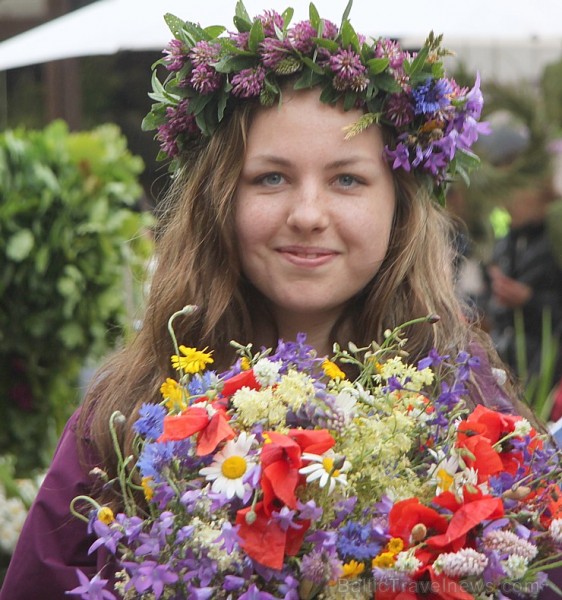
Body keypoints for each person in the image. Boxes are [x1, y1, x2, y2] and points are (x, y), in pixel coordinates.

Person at [1, 3, 558, 599]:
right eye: (271, 177)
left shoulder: (475, 418)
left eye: (347, 179)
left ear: (398, 206)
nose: (308, 215)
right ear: (217, 200)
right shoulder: (121, 418)